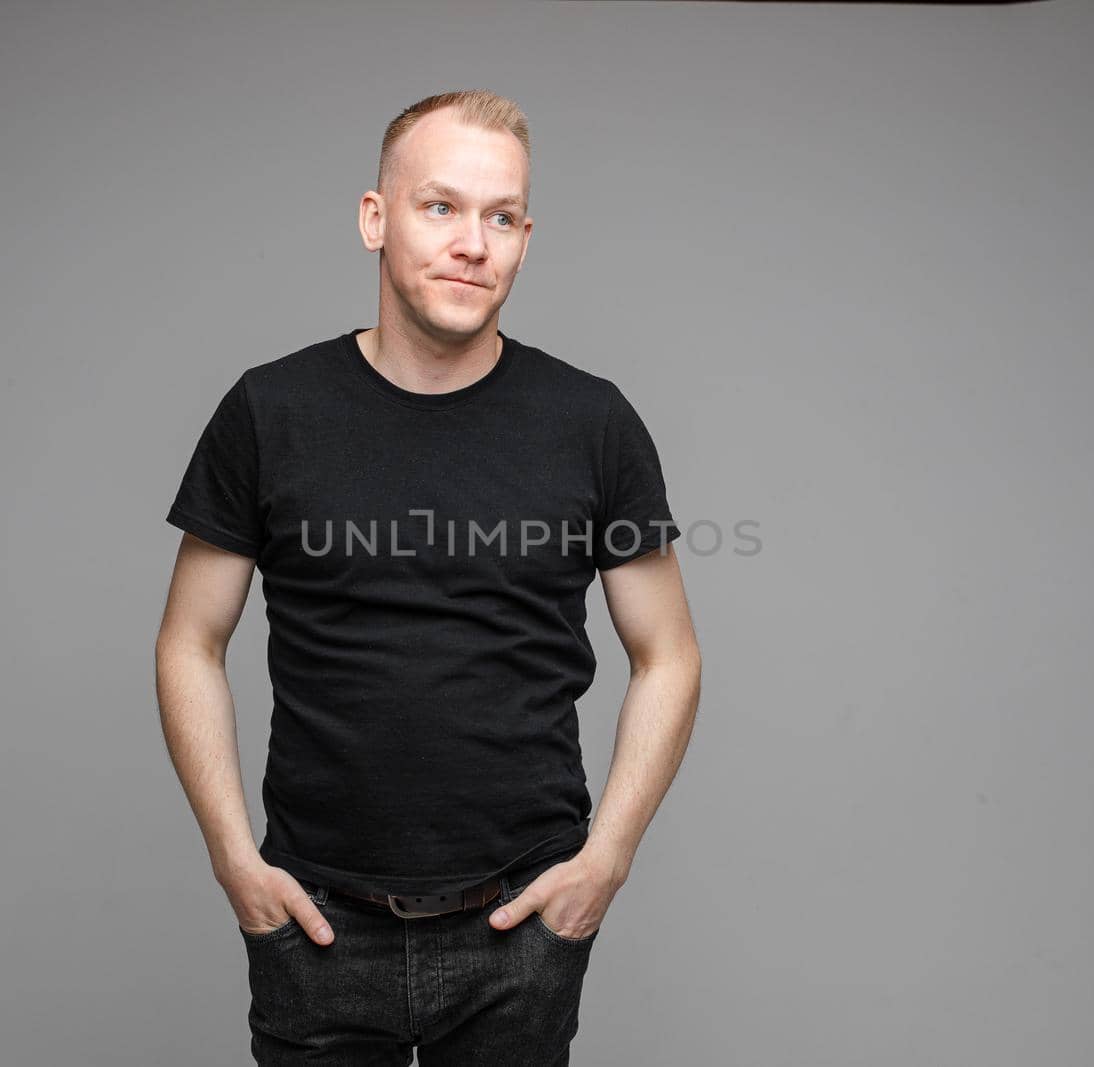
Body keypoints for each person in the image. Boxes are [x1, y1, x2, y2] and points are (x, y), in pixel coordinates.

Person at [155, 88, 703, 1066]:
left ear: (525, 239)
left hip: (520, 921)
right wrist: (234, 857)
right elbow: (188, 639)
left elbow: (668, 654)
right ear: (376, 217)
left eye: (500, 217)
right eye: (439, 206)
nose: (472, 242)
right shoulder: (269, 409)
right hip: (314, 917)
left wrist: (606, 858)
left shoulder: (592, 422)